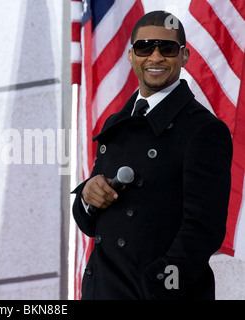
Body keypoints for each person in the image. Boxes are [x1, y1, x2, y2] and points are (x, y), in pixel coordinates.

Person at [71, 11, 233, 300]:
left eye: (167, 48)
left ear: (184, 56)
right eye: (145, 47)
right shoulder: (115, 125)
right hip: (104, 290)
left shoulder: (204, 130)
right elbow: (90, 224)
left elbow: (204, 230)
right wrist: (87, 196)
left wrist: (157, 284)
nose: (156, 57)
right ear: (132, 55)